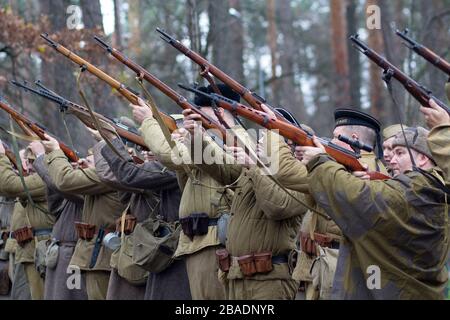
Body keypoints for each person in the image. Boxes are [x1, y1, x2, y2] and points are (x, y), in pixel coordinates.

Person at [299, 125, 449, 299]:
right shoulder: (434, 188)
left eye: (400, 153)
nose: (391, 160)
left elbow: (357, 197)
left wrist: (319, 161)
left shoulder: (415, 191)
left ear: (423, 158)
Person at [131, 84, 240, 300]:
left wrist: (149, 122)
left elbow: (172, 155)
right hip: (197, 241)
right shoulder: (210, 138)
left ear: (220, 111)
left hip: (216, 241)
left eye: (202, 111)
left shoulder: (231, 140)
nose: (195, 116)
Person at [294, 109, 387, 300]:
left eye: (336, 137)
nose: (330, 140)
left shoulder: (372, 174)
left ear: (352, 139)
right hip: (321, 265)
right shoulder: (338, 166)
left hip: (339, 265)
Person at [42, 135, 127, 300]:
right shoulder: (100, 178)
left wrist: (54, 152)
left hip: (102, 256)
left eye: (91, 159)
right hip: (91, 255)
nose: (83, 163)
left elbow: (64, 181)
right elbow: (56, 198)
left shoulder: (106, 176)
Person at [28, 141, 88, 300]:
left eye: (90, 159)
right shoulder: (75, 189)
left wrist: (42, 157)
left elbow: (60, 185)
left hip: (73, 257)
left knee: (72, 296)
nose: (83, 162)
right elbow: (55, 202)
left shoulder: (89, 187)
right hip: (60, 255)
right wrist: (54, 165)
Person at [0, 141, 54, 300]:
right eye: (27, 161)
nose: (29, 166)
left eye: (33, 161)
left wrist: (2, 156)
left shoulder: (44, 179)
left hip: (40, 250)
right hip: (26, 249)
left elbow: (9, 185)